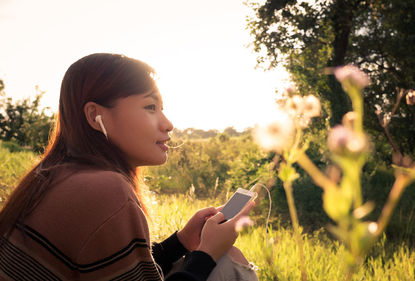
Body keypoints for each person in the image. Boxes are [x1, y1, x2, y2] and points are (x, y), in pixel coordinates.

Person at [0, 53, 258, 281]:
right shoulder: (104, 190)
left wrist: (180, 242)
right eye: (150, 107)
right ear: (94, 116)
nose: (168, 123)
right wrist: (207, 253)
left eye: (162, 109)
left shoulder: (56, 174)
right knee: (227, 262)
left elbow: (115, 266)